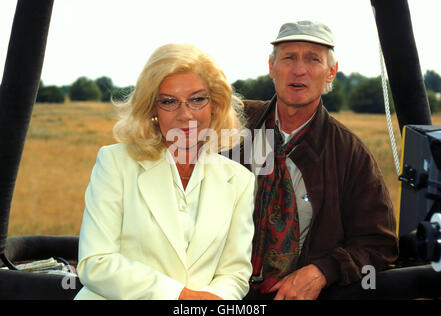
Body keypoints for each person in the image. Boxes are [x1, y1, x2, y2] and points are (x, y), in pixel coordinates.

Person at [74, 43, 255, 300]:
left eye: (197, 99)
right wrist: (181, 297)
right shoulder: (115, 162)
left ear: (214, 104)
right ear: (152, 110)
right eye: (169, 102)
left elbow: (234, 274)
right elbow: (96, 262)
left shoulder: (239, 180)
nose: (185, 114)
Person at [239, 20, 399, 300]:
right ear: (271, 67)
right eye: (288, 57)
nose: (299, 69)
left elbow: (379, 245)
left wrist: (325, 270)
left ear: (331, 72)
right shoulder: (234, 126)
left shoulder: (351, 154)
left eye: (313, 59)